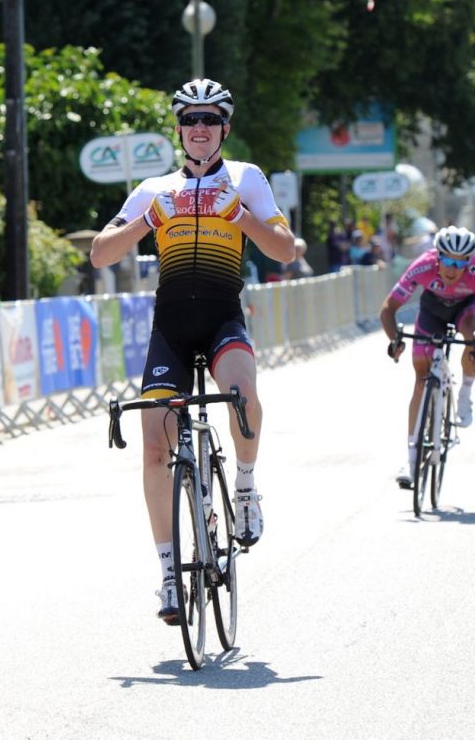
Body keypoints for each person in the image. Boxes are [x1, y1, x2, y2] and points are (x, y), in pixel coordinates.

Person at [89, 78, 295, 623]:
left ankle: (246, 489)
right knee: (153, 443)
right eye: (189, 120)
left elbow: (286, 250)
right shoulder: (153, 187)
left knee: (243, 393)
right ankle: (167, 577)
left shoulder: (246, 178)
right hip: (172, 329)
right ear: (179, 129)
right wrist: (147, 221)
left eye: (209, 119)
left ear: (225, 128)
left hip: (224, 318)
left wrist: (241, 216)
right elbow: (99, 254)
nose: (199, 128)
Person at [380, 226, 475, 489]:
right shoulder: (423, 266)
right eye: (447, 261)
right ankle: (411, 461)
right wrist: (395, 340)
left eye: (460, 263)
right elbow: (388, 308)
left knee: (472, 336)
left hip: (468, 308)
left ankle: (465, 394)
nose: (452, 269)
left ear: (470, 262)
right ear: (437, 257)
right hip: (432, 309)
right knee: (420, 378)